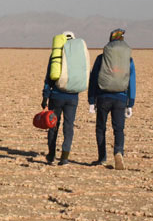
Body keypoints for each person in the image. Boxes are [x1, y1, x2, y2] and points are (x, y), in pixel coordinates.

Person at [87, 28, 137, 170]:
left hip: (103, 97)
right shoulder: (129, 60)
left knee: (101, 128)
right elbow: (131, 81)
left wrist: (91, 100)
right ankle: (118, 152)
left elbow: (93, 79)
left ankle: (102, 158)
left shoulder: (101, 58)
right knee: (119, 129)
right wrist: (130, 103)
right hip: (121, 98)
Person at [41, 31, 80, 165]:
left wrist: (45, 97)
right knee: (68, 126)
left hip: (56, 96)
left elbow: (48, 78)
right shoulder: (77, 56)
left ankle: (51, 154)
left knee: (53, 124)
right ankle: (64, 156)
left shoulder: (56, 54)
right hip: (73, 97)